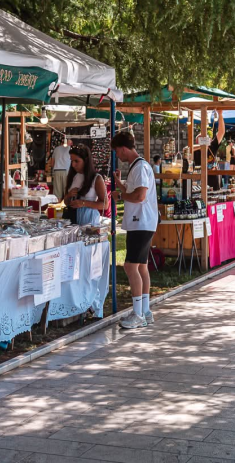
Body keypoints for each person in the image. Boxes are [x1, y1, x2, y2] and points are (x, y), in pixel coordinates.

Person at [110, 131, 158, 329]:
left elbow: (139, 196)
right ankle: (145, 310)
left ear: (122, 148)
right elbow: (134, 192)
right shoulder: (140, 166)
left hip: (140, 222)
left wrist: (120, 197)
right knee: (141, 266)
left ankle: (138, 313)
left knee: (130, 266)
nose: (117, 156)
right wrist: (121, 185)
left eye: (117, 152)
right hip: (144, 222)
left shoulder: (139, 167)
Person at [63, 143, 107, 226]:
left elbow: (105, 205)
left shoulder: (96, 178)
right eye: (71, 161)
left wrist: (83, 203)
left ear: (86, 160)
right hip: (72, 222)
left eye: (76, 161)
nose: (73, 165)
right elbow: (66, 202)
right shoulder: (72, 177)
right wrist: (69, 195)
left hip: (88, 222)